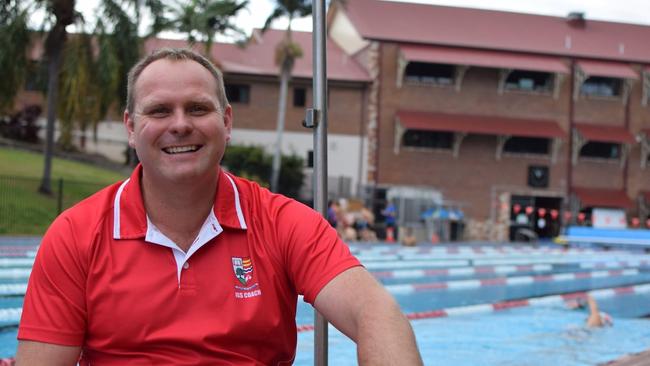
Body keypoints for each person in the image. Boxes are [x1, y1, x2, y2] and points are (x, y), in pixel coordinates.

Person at [16, 48, 423, 365]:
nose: (180, 124)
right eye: (160, 110)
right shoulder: (76, 234)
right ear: (130, 127)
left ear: (226, 122)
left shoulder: (283, 223)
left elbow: (377, 313)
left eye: (197, 108)